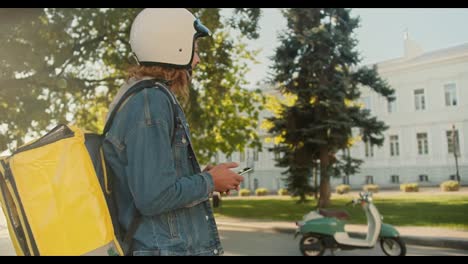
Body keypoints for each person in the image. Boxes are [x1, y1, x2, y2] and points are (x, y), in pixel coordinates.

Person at [103, 8, 244, 256]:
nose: (197, 60)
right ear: (173, 46)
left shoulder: (144, 97)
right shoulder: (150, 102)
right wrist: (210, 182)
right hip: (160, 249)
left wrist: (203, 178)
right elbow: (153, 197)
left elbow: (155, 183)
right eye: (195, 50)